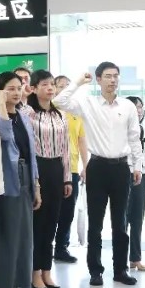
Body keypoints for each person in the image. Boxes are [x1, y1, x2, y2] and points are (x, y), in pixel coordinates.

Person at [53, 62, 142, 287]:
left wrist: (137, 166)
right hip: (97, 167)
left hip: (121, 168)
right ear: (99, 79)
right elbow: (59, 101)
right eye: (108, 76)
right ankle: (95, 270)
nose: (113, 80)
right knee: (95, 224)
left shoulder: (128, 106)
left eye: (116, 76)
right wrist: (78, 82)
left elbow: (134, 137)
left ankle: (120, 270)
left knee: (120, 223)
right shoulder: (88, 103)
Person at [0, 72, 40, 288]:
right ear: (0, 90)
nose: (17, 92)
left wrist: (37, 185)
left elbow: (32, 152)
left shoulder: (23, 116)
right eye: (11, 88)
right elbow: (5, 135)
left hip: (26, 176)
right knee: (5, 237)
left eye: (19, 88)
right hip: (6, 180)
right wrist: (1, 104)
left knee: (23, 237)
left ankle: (16, 286)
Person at [27, 70, 71, 288]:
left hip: (56, 168)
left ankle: (46, 270)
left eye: (52, 84)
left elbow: (66, 147)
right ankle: (34, 273)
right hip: (38, 168)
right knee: (38, 223)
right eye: (44, 84)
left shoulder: (59, 115)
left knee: (52, 222)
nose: (50, 88)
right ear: (34, 88)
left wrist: (67, 178)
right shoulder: (29, 113)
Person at [53, 75, 88, 263]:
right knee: (51, 211)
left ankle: (61, 247)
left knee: (68, 211)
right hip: (52, 167)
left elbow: (82, 140)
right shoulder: (51, 108)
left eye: (68, 85)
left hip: (72, 167)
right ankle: (44, 247)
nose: (66, 88)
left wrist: (85, 165)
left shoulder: (76, 112)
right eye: (61, 86)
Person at [124, 96, 145, 272]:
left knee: (137, 219)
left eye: (141, 107)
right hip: (124, 175)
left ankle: (135, 258)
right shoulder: (121, 130)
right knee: (122, 219)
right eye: (135, 107)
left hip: (141, 178)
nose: (139, 110)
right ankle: (120, 258)